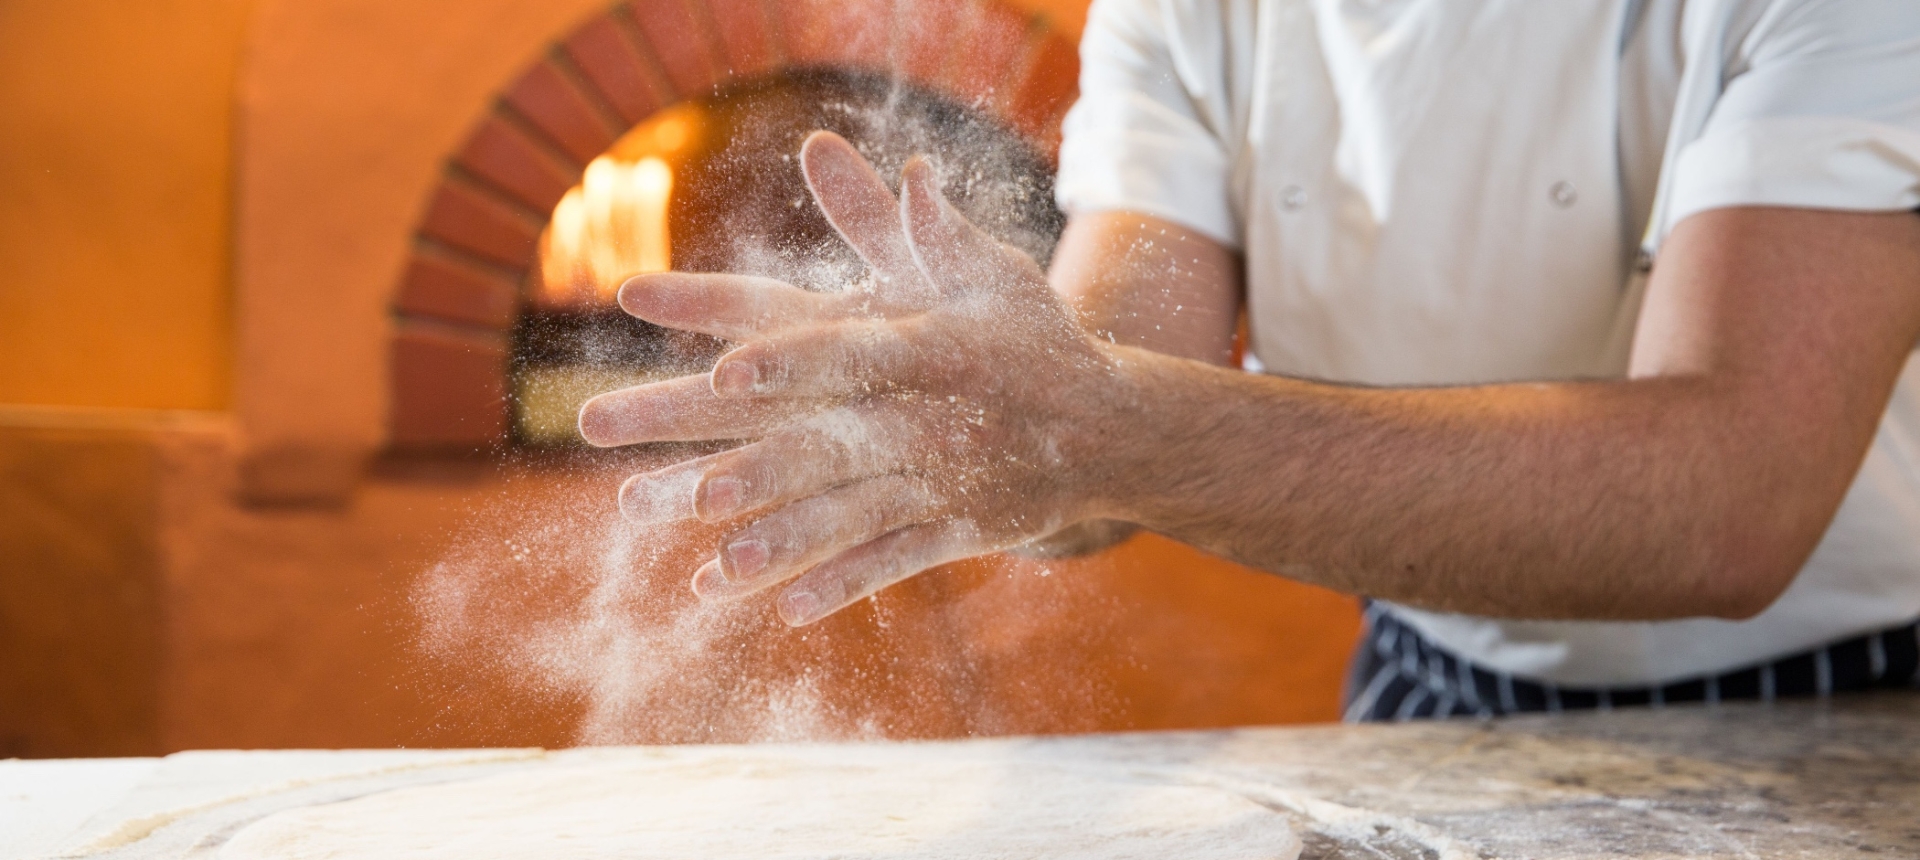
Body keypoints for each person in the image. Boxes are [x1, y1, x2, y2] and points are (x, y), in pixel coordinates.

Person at [578, 0, 1920, 720]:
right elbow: (1105, 364)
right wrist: (992, 399)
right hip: (1427, 674)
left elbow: (1729, 506)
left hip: (1847, 695)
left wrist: (1098, 428)